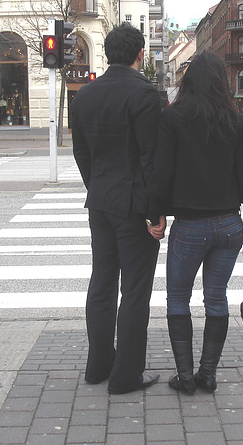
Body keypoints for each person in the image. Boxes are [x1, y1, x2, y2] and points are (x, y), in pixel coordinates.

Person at [150, 51, 243, 395]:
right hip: (229, 226)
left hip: (190, 227)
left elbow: (161, 174)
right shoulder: (235, 122)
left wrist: (157, 215)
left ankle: (185, 377)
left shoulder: (173, 118)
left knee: (177, 300)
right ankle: (208, 374)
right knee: (215, 300)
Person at [70, 23, 166, 395]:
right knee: (136, 290)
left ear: (107, 54)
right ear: (140, 54)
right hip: (135, 206)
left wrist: (97, 186)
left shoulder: (84, 97)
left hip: (100, 202)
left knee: (102, 282)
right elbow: (150, 160)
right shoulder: (144, 95)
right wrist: (156, 211)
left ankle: (98, 365)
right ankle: (126, 374)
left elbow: (82, 155)